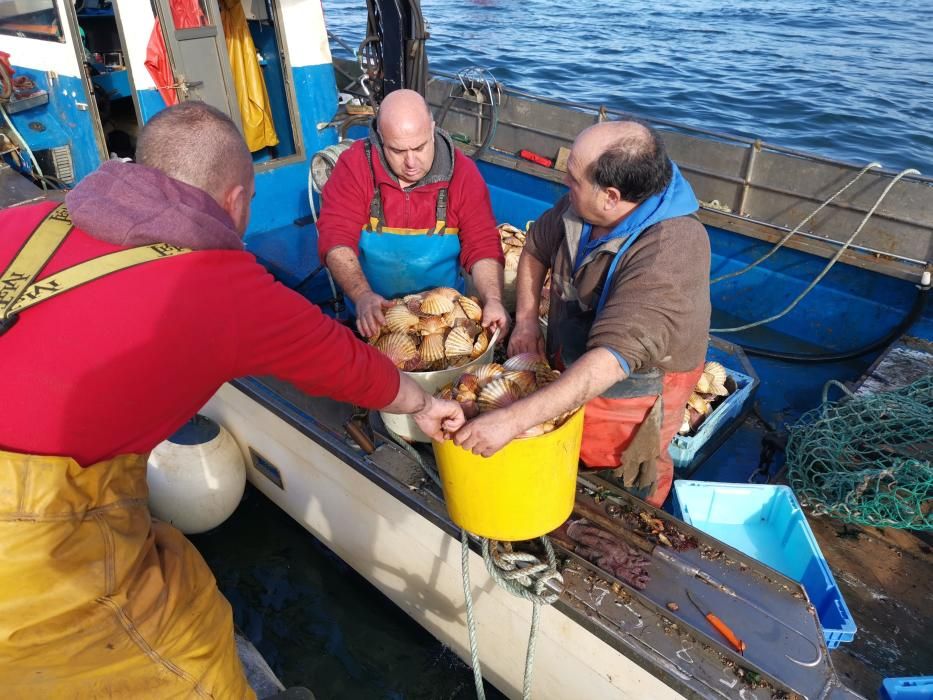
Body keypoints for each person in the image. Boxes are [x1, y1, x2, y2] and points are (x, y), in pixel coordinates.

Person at [0, 102, 464, 699]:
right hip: (33, 534)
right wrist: (424, 407)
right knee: (191, 663)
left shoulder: (28, 219)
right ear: (237, 199)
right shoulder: (218, 286)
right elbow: (342, 360)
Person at [453, 120, 711, 507]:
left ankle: (632, 531)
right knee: (564, 445)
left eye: (572, 179)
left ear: (611, 196)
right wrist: (525, 320)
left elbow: (613, 360)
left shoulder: (669, 252)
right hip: (571, 358)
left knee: (620, 475)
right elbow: (537, 247)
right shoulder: (583, 206)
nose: (564, 186)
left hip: (632, 385)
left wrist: (512, 419)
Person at [317, 89, 509, 339]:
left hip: (443, 323)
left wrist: (493, 300)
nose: (410, 162)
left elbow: (482, 244)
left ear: (432, 129)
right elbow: (336, 238)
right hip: (372, 314)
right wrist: (362, 295)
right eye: (397, 151)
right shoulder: (354, 166)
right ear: (380, 138)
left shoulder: (463, 174)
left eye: (419, 147)